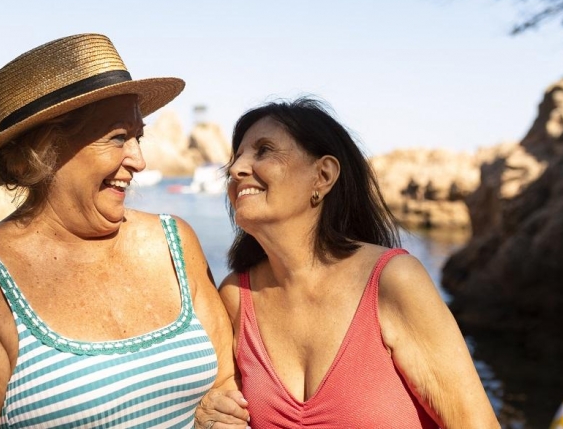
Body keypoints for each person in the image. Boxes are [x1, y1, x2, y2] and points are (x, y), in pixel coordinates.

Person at [0, 33, 249, 428]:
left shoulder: (174, 241)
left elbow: (223, 383)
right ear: (40, 155)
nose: (139, 160)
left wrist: (218, 412)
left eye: (138, 136)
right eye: (117, 138)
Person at [202, 98, 500, 428]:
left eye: (264, 151)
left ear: (323, 175)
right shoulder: (235, 296)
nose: (235, 169)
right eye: (236, 157)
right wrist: (210, 410)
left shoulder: (393, 281)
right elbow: (225, 407)